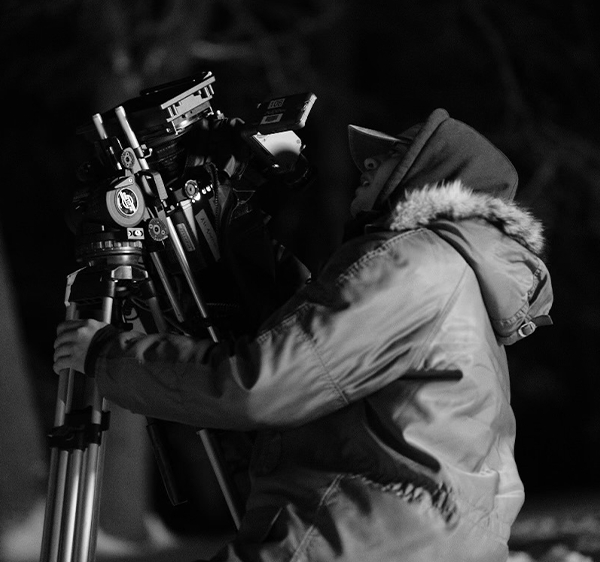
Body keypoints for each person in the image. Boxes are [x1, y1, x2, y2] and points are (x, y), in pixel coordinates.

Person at [54, 108, 553, 561]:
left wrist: (104, 356)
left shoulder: (410, 263)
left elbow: (260, 384)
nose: (367, 164)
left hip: (361, 536)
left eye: (390, 155)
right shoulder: (449, 274)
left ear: (431, 178)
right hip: (415, 536)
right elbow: (315, 346)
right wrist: (236, 230)